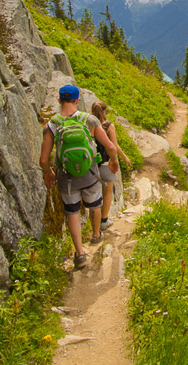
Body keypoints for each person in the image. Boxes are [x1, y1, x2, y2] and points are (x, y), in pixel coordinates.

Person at [39, 85, 119, 269]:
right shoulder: (89, 120)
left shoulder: (52, 125)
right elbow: (110, 147)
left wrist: (48, 172)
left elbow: (44, 159)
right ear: (77, 100)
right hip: (89, 174)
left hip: (66, 178)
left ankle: (80, 253)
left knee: (72, 212)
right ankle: (96, 234)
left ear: (59, 100)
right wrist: (113, 161)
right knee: (95, 205)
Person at [91, 100, 131, 230]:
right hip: (107, 164)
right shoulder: (108, 126)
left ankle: (93, 224)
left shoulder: (89, 125)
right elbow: (114, 145)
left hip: (92, 165)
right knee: (107, 192)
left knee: (95, 193)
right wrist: (123, 157)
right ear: (104, 111)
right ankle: (104, 220)